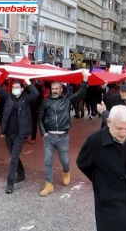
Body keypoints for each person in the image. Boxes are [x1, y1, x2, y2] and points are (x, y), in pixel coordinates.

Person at [77, 105, 126, 231]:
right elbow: (83, 163)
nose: (123, 133)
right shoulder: (95, 141)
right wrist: (101, 182)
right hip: (109, 201)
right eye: (119, 128)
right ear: (109, 122)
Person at [38, 69, 90, 197]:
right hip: (49, 137)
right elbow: (40, 118)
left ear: (61, 89)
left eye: (57, 88)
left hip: (62, 136)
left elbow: (80, 93)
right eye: (53, 88)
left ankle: (66, 171)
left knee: (65, 160)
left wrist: (85, 79)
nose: (55, 90)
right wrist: (44, 133)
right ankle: (49, 184)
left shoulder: (66, 100)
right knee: (48, 161)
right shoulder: (45, 102)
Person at [0, 76, 39, 194]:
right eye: (13, 87)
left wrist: (28, 81)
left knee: (13, 158)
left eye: (17, 87)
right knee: (14, 155)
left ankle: (10, 183)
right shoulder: (8, 97)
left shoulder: (27, 99)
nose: (15, 89)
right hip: (9, 132)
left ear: (22, 89)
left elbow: (36, 93)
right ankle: (22, 174)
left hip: (20, 133)